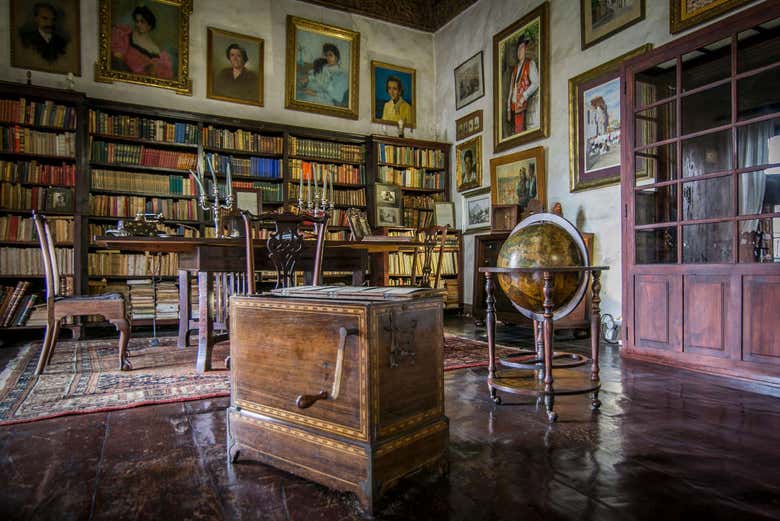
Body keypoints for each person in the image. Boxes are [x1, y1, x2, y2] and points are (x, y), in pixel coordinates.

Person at [111, 5, 173, 80]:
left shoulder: (157, 50)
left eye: (142, 22)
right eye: (137, 21)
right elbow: (117, 59)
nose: (138, 24)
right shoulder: (125, 35)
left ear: (149, 25)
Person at [506, 34, 539, 134]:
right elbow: (511, 90)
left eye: (522, 48)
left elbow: (535, 83)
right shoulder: (515, 70)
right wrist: (508, 108)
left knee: (520, 133)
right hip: (513, 108)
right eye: (518, 49)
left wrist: (524, 96)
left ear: (525, 50)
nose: (519, 52)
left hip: (522, 107)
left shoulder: (530, 64)